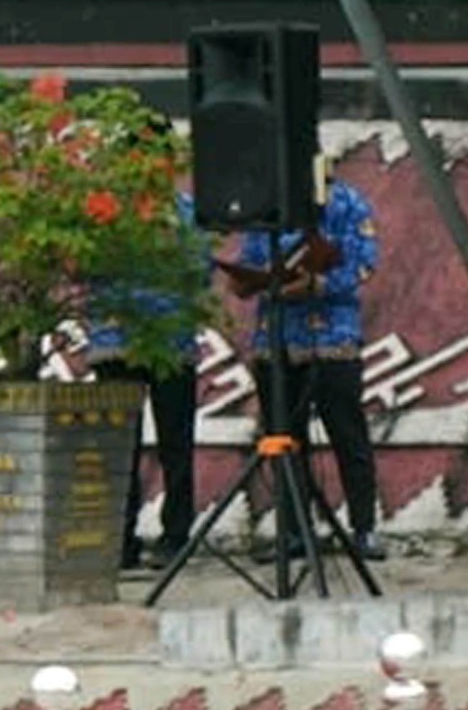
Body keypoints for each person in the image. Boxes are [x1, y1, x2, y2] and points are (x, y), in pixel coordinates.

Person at [227, 177, 385, 562]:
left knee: (348, 436)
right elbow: (250, 259)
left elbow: (364, 264)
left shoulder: (348, 202)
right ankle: (295, 531)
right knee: (284, 440)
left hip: (333, 338)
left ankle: (363, 529)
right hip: (277, 337)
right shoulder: (266, 205)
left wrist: (319, 284)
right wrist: (249, 280)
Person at [89, 177, 205, 570]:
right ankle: (121, 539)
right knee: (120, 445)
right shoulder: (103, 208)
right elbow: (85, 266)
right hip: (115, 339)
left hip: (170, 340)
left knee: (176, 443)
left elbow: (201, 269)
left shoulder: (184, 211)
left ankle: (176, 535)